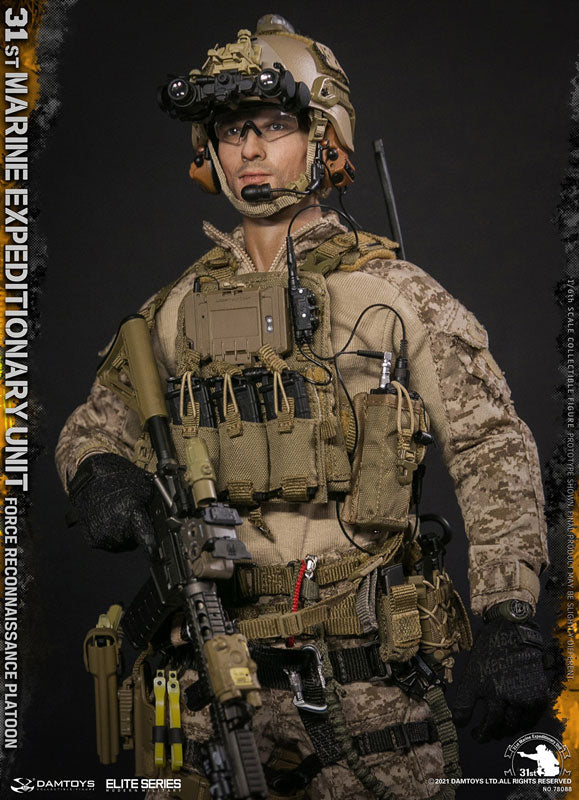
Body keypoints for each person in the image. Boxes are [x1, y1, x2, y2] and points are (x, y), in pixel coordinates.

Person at [56, 15, 550, 800]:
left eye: (272, 127)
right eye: (230, 132)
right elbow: (93, 430)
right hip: (216, 677)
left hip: (369, 681)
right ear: (207, 151)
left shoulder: (392, 296)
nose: (249, 151)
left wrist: (508, 614)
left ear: (325, 138)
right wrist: (102, 475)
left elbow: (490, 446)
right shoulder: (176, 310)